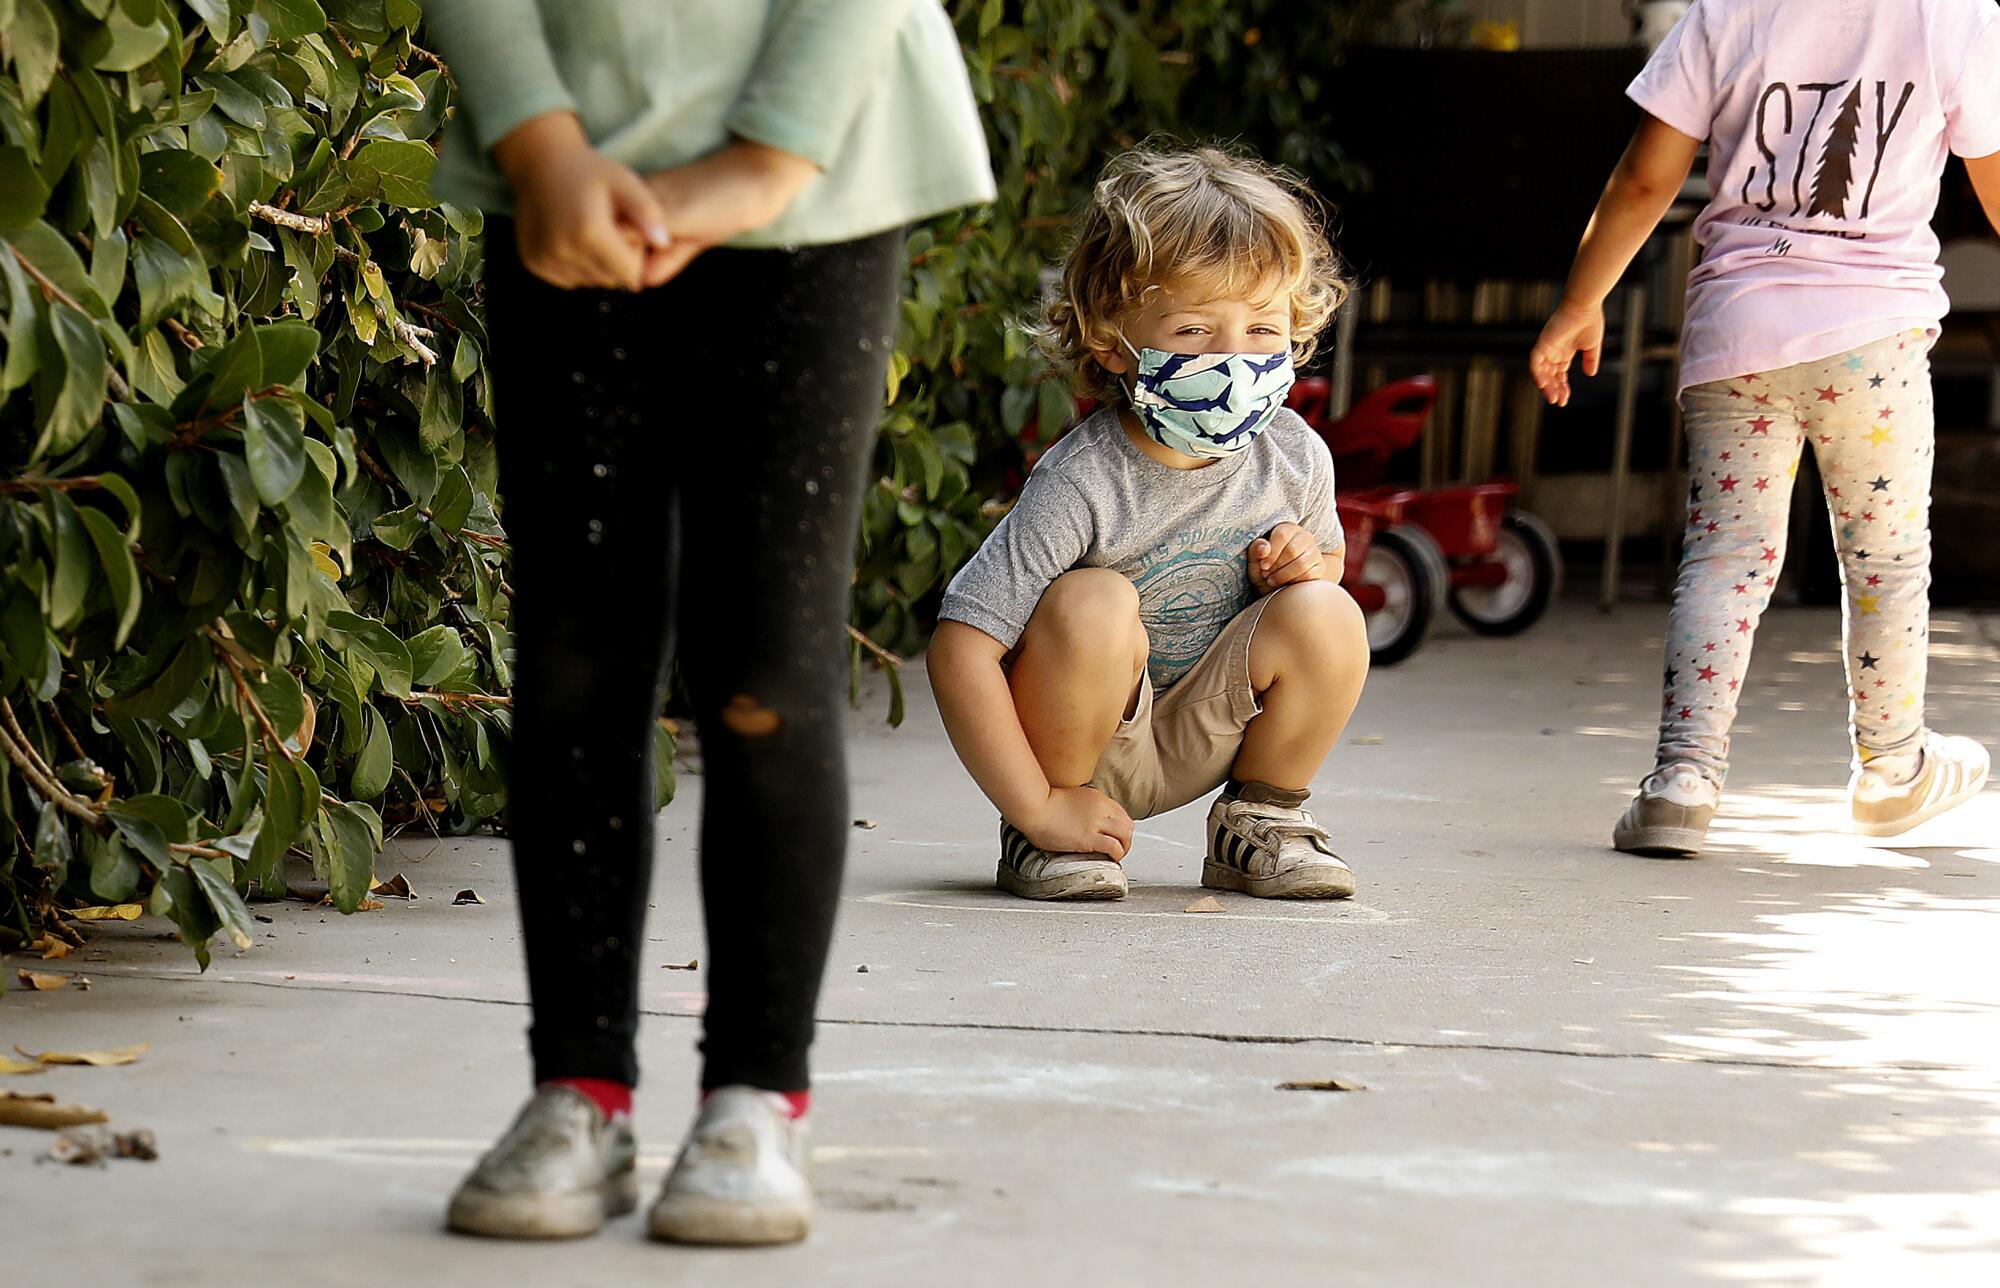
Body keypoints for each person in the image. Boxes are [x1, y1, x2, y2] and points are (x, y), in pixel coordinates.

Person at [418, 0, 992, 1246]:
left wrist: (769, 158)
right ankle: (579, 1089)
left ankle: (753, 1095)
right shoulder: (548, 163)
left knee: (765, 672)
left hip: (814, 181)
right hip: (564, 177)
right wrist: (537, 142)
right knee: (575, 658)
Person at [1531, 0, 2000, 857]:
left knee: (1727, 556)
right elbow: (1997, 182)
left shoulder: (1727, 12)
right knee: (1887, 557)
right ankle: (1893, 770)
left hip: (1737, 334)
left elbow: (1646, 178)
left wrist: (1578, 304)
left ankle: (1682, 781)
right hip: (1876, 340)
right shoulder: (1953, 16)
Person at [928, 146, 1370, 904]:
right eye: (1196, 332)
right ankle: (1047, 839)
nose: (1235, 360)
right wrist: (1032, 802)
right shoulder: (1083, 481)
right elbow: (960, 646)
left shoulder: (1294, 454)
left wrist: (1306, 566)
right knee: (1091, 600)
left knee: (1327, 610)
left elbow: (1323, 565)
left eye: (1263, 330)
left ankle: (1258, 820)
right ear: (1112, 339)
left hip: (1207, 726)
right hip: (1079, 751)